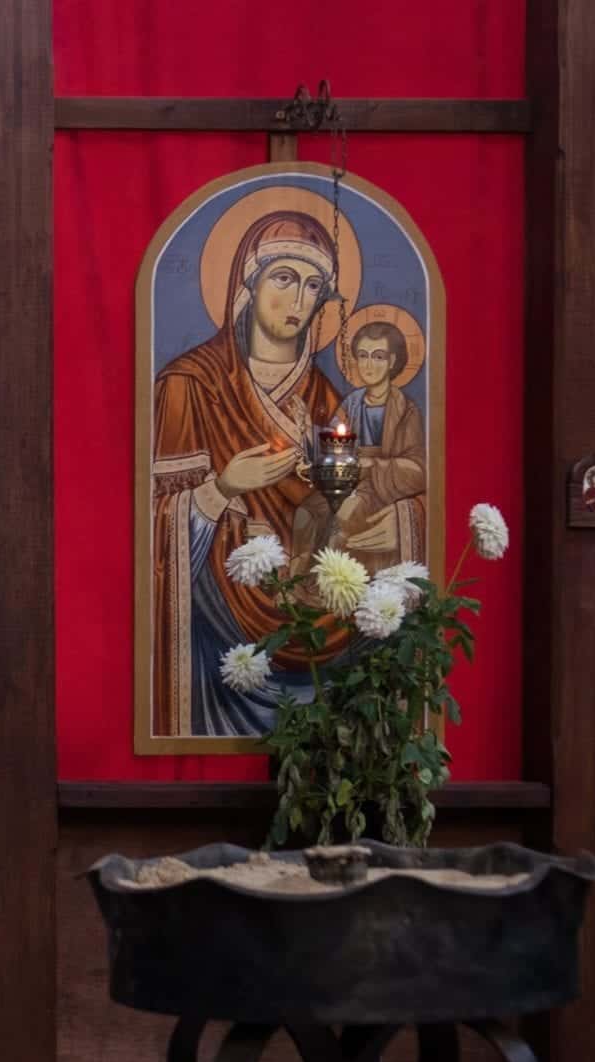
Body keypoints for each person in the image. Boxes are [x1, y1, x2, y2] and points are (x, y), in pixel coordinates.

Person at [151, 209, 395, 738]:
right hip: (223, 630)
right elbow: (154, 539)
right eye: (283, 278)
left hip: (315, 613)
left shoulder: (329, 400)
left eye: (314, 286)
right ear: (247, 284)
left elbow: (353, 510)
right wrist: (221, 490)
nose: (300, 300)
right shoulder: (188, 386)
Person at [330, 319, 427, 577]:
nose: (369, 365)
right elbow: (333, 444)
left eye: (378, 356)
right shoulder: (350, 404)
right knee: (306, 515)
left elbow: (418, 470)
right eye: (362, 356)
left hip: (384, 488)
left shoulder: (406, 409)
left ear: (393, 361)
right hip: (351, 482)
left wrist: (373, 466)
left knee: (347, 516)